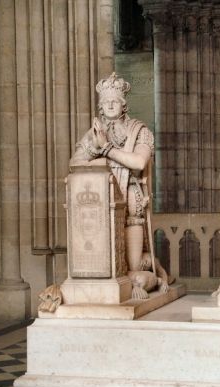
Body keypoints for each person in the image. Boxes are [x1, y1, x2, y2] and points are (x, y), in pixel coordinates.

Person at [70, 72, 155, 276]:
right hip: (102, 199)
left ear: (123, 104)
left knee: (133, 268)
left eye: (114, 101)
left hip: (131, 199)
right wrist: (98, 154)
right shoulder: (93, 135)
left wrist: (106, 149)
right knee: (105, 263)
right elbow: (74, 163)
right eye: (106, 102)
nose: (109, 105)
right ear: (100, 106)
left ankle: (154, 267)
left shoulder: (139, 130)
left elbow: (139, 161)